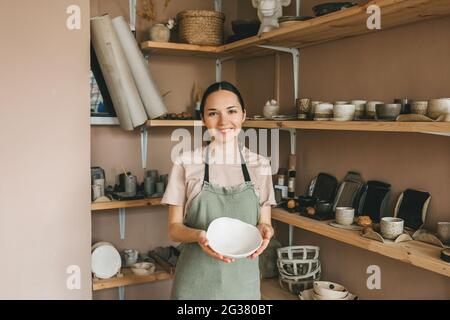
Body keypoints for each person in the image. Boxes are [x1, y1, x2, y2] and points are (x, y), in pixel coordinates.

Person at [161, 81, 276, 300]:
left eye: (231, 111)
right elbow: (174, 229)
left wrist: (266, 230)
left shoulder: (260, 165)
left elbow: (265, 222)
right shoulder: (186, 162)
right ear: (203, 119)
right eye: (213, 113)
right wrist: (198, 236)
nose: (224, 122)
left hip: (243, 285)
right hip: (195, 285)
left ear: (243, 114)